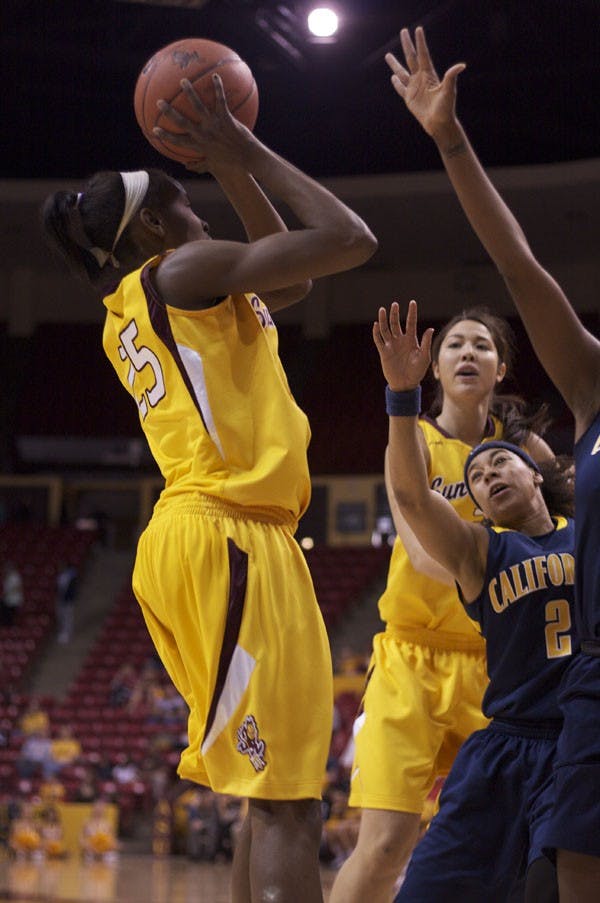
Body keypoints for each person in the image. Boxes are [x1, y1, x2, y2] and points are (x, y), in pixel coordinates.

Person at [42, 73, 377, 903]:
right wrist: (247, 149)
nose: (204, 216)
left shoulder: (156, 295)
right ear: (156, 225)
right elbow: (348, 237)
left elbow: (293, 284)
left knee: (268, 795)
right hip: (226, 531)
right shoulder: (183, 271)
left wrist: (229, 169)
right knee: (287, 804)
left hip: (214, 533)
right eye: (190, 203)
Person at [386, 26, 600, 902]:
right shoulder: (589, 389)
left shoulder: (570, 521)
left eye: (501, 466)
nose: (488, 476)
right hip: (559, 706)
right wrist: (450, 139)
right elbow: (518, 262)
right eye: (479, 473)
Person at [331, 312, 553, 900]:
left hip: (497, 665)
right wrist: (495, 563)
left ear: (500, 369)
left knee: (509, 847)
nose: (467, 353)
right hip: (413, 658)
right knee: (382, 847)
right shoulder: (415, 440)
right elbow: (420, 547)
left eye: (482, 345)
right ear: (435, 366)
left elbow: (569, 516)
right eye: (454, 344)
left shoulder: (523, 450)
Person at [55, 561, 78, 644]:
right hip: (61, 600)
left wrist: (70, 598)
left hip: (68, 600)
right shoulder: (60, 576)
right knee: (61, 616)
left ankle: (68, 633)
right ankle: (63, 632)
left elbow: (72, 589)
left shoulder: (70, 576)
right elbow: (59, 589)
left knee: (68, 617)